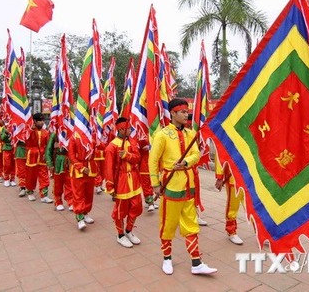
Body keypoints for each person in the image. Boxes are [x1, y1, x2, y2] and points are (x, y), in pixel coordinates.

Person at [149, 98, 217, 276]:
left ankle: (196, 262)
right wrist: (155, 183)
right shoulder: (162, 135)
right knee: (168, 224)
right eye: (183, 112)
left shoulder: (190, 133)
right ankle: (167, 258)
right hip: (171, 185)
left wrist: (186, 161)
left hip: (189, 185)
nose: (187, 114)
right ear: (173, 113)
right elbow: (153, 160)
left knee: (191, 224)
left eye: (187, 111)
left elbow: (196, 154)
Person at [104, 117, 143, 248]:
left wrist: (127, 155)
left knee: (136, 206)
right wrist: (110, 187)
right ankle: (120, 235)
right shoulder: (111, 146)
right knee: (120, 210)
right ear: (121, 129)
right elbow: (108, 168)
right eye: (128, 128)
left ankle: (129, 230)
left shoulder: (132, 142)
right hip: (121, 181)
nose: (130, 130)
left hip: (134, 179)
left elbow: (138, 158)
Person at [68, 133, 99, 230]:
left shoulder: (92, 136)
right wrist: (81, 167)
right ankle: (80, 217)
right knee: (78, 194)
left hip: (90, 168)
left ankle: (86, 213)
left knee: (89, 193)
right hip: (78, 170)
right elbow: (71, 156)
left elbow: (99, 147)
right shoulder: (73, 138)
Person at [215, 156, 245, 245]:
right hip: (233, 176)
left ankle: (261, 233)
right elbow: (220, 155)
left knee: (255, 206)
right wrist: (219, 177)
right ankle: (231, 231)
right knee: (233, 204)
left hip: (249, 177)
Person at [25, 113, 53, 203]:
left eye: (42, 120)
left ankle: (44, 195)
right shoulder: (29, 131)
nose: (42, 122)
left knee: (44, 175)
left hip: (42, 157)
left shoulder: (46, 132)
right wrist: (31, 130)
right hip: (32, 155)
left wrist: (47, 155)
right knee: (31, 176)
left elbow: (48, 145)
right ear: (35, 121)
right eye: (40, 121)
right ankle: (30, 192)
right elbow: (26, 140)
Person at [45, 131, 73, 211]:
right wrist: (50, 163)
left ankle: (71, 201)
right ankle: (58, 201)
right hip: (58, 161)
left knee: (70, 182)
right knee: (58, 183)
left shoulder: (71, 130)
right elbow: (48, 150)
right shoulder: (55, 134)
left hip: (69, 161)